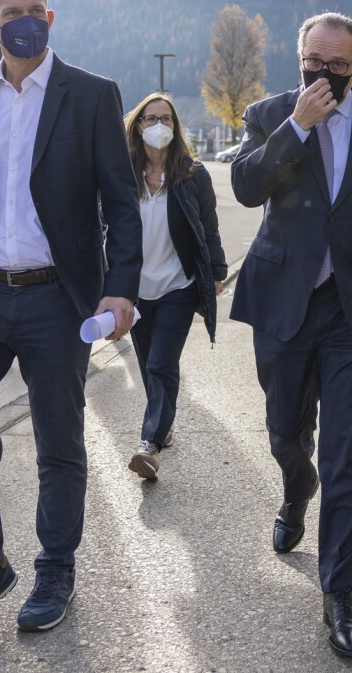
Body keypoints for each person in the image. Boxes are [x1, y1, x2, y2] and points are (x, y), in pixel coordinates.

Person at [0, 0, 142, 648]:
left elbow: (120, 201)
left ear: (50, 14)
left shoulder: (91, 94)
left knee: (58, 440)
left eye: (37, 8)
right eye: (12, 10)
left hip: (58, 296)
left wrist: (121, 285)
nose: (28, 19)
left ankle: (55, 569)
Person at [230, 11, 352, 659]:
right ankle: (294, 488)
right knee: (286, 432)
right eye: (313, 59)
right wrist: (297, 127)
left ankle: (340, 587)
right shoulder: (269, 113)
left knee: (348, 452)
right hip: (283, 297)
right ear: (300, 54)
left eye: (337, 66)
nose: (323, 74)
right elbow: (246, 186)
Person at [123, 92, 227, 481]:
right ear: (138, 126)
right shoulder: (123, 172)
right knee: (149, 365)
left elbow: (209, 227)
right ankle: (163, 424)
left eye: (166, 119)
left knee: (162, 364)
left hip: (178, 286)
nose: (159, 127)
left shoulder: (192, 174)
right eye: (150, 119)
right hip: (134, 290)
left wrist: (216, 271)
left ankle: (149, 445)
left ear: (176, 127)